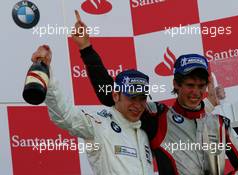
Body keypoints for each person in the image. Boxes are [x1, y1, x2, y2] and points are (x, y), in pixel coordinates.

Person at [72, 11, 238, 174]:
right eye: (190, 85)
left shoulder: (219, 124)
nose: (196, 92)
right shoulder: (157, 116)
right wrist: (86, 49)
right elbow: (109, 96)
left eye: (201, 85)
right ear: (176, 84)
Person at [31, 44, 156, 175]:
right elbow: (65, 115)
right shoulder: (99, 124)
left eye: (142, 98)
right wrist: (45, 71)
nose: (137, 105)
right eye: (132, 98)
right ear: (115, 95)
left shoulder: (144, 133)